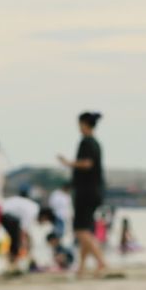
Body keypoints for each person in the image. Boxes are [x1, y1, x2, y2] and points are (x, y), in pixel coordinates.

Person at [56, 111, 109, 276]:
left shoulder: (87, 142)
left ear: (84, 124)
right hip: (95, 191)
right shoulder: (96, 143)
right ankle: (82, 267)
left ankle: (101, 262)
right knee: (87, 229)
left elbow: (87, 163)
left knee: (80, 230)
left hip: (86, 191)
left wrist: (67, 163)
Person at [0, 191, 51, 273]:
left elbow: (24, 230)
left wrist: (26, 240)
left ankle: (12, 263)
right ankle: (13, 265)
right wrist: (24, 243)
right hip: (3, 212)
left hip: (3, 210)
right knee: (15, 238)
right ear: (44, 216)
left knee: (15, 238)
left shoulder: (33, 207)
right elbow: (22, 230)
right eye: (45, 220)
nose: (43, 223)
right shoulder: (33, 211)